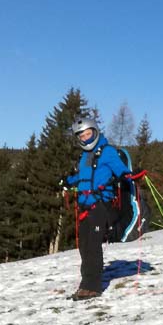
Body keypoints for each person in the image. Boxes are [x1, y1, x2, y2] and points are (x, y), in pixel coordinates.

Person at [62, 116, 132, 300]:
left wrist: (128, 176)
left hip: (100, 205)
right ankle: (85, 283)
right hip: (85, 205)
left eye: (88, 134)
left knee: (93, 245)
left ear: (95, 132)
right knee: (84, 246)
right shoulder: (84, 156)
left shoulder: (107, 152)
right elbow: (82, 177)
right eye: (82, 136)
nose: (86, 138)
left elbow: (121, 170)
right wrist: (67, 181)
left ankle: (92, 287)